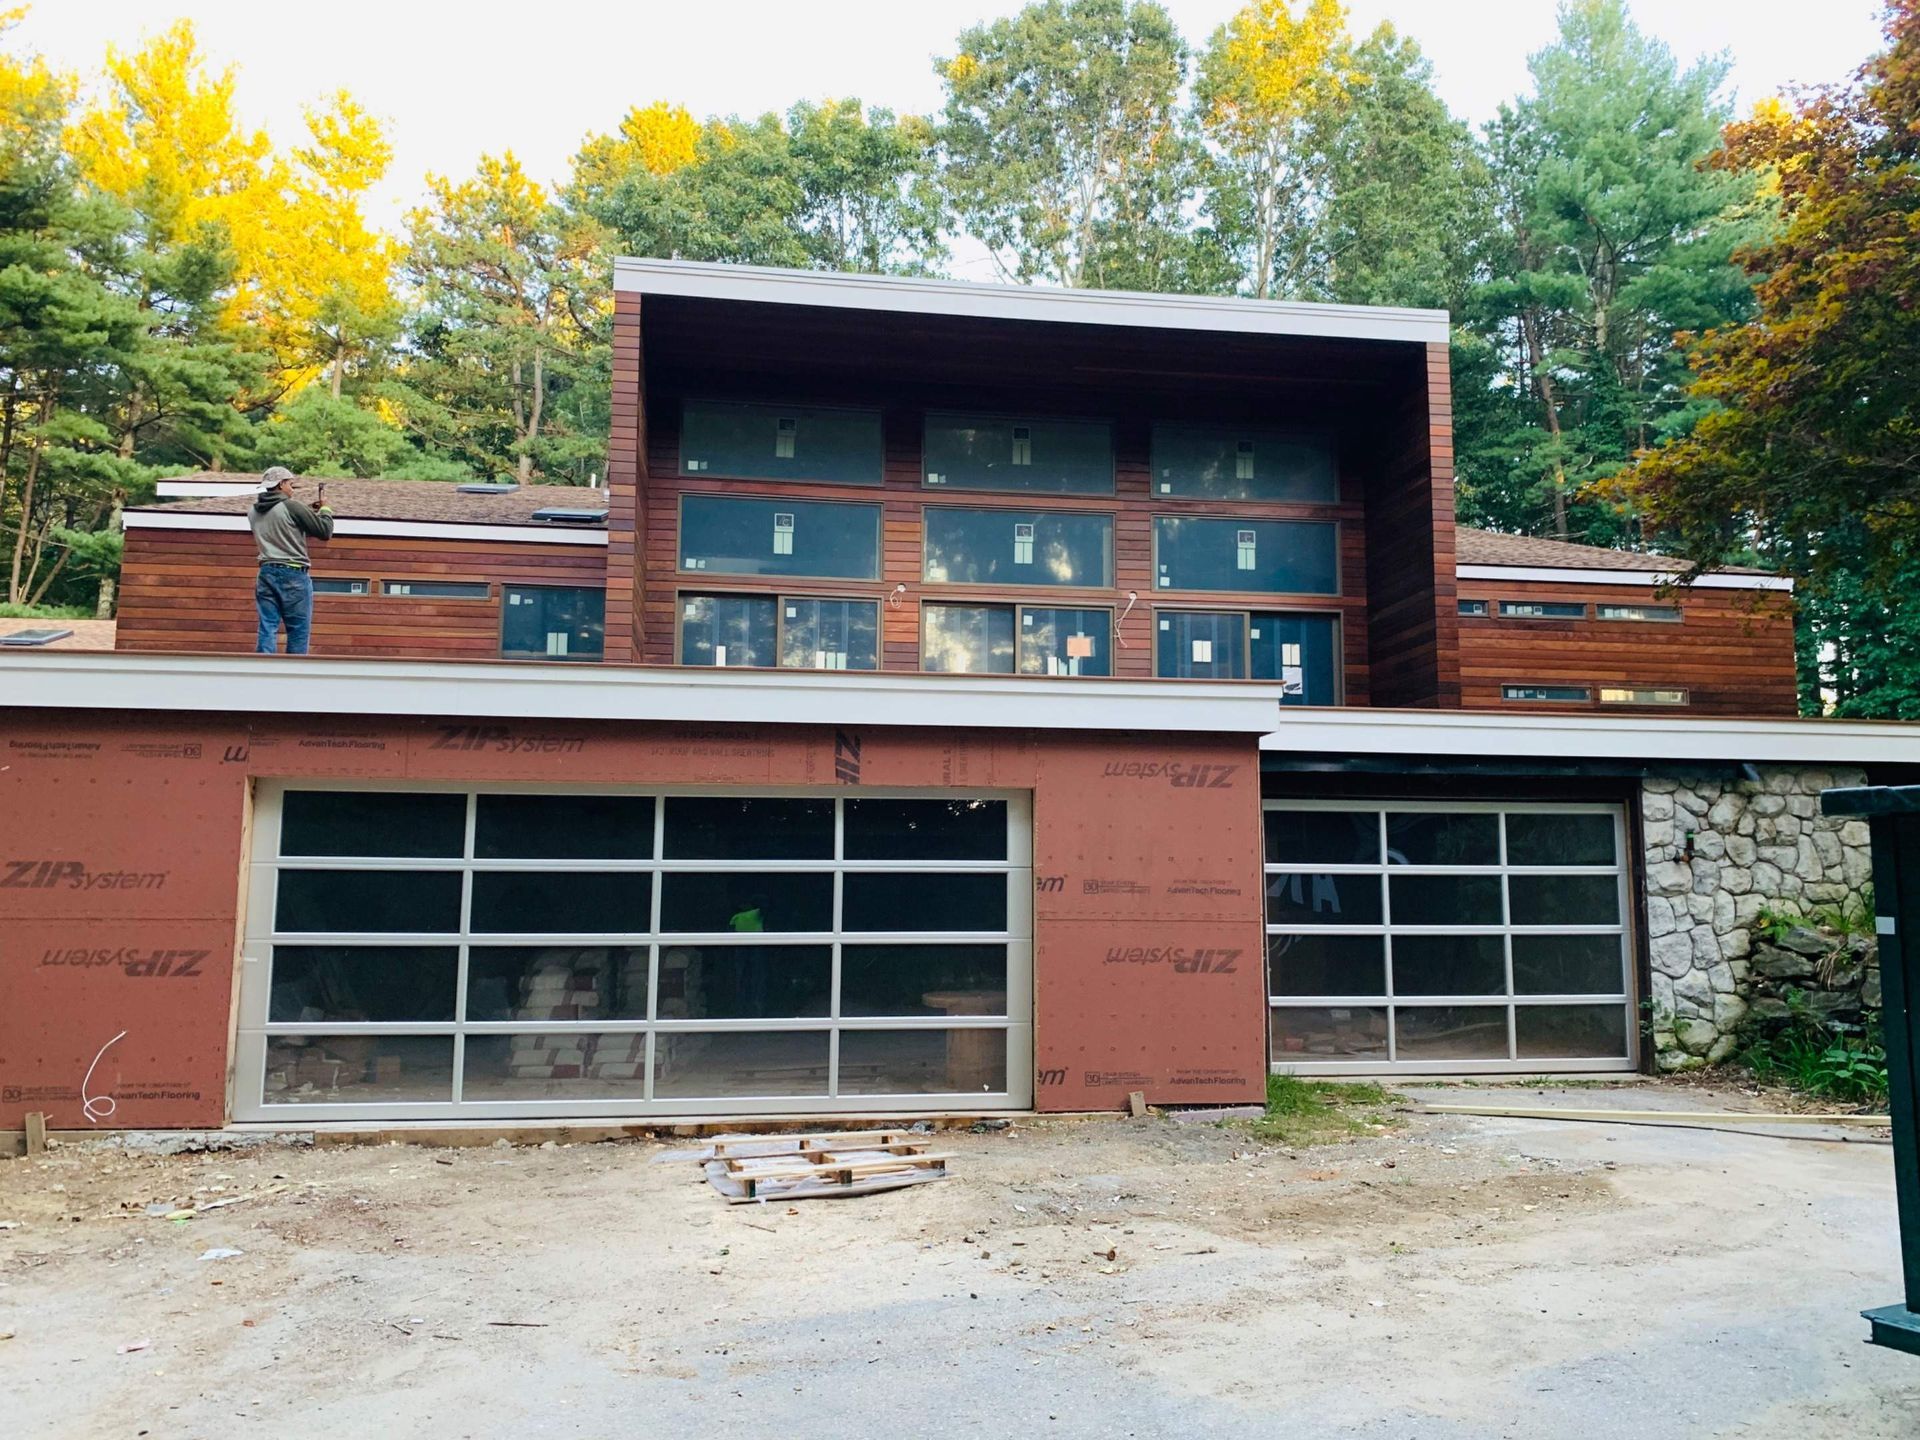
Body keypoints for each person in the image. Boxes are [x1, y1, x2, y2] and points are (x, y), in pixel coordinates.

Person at [249, 466, 334, 655]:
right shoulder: (291, 506)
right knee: (297, 629)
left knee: (268, 625)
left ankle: (262, 669)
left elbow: (281, 521)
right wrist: (326, 509)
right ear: (281, 484)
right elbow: (324, 531)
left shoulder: (253, 511)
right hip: (293, 573)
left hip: (266, 572)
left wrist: (307, 511)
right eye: (291, 484)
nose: (292, 489)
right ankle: (295, 674)